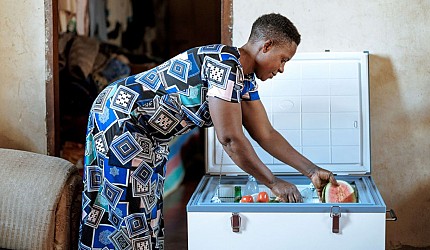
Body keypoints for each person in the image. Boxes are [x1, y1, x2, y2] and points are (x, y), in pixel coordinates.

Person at [78, 13, 338, 249]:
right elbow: (230, 139)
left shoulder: (243, 78)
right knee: (127, 214)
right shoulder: (225, 66)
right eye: (282, 59)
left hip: (145, 131)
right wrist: (272, 182)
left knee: (146, 214)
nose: (281, 68)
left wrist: (311, 171)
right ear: (266, 46)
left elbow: (265, 133)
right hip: (121, 116)